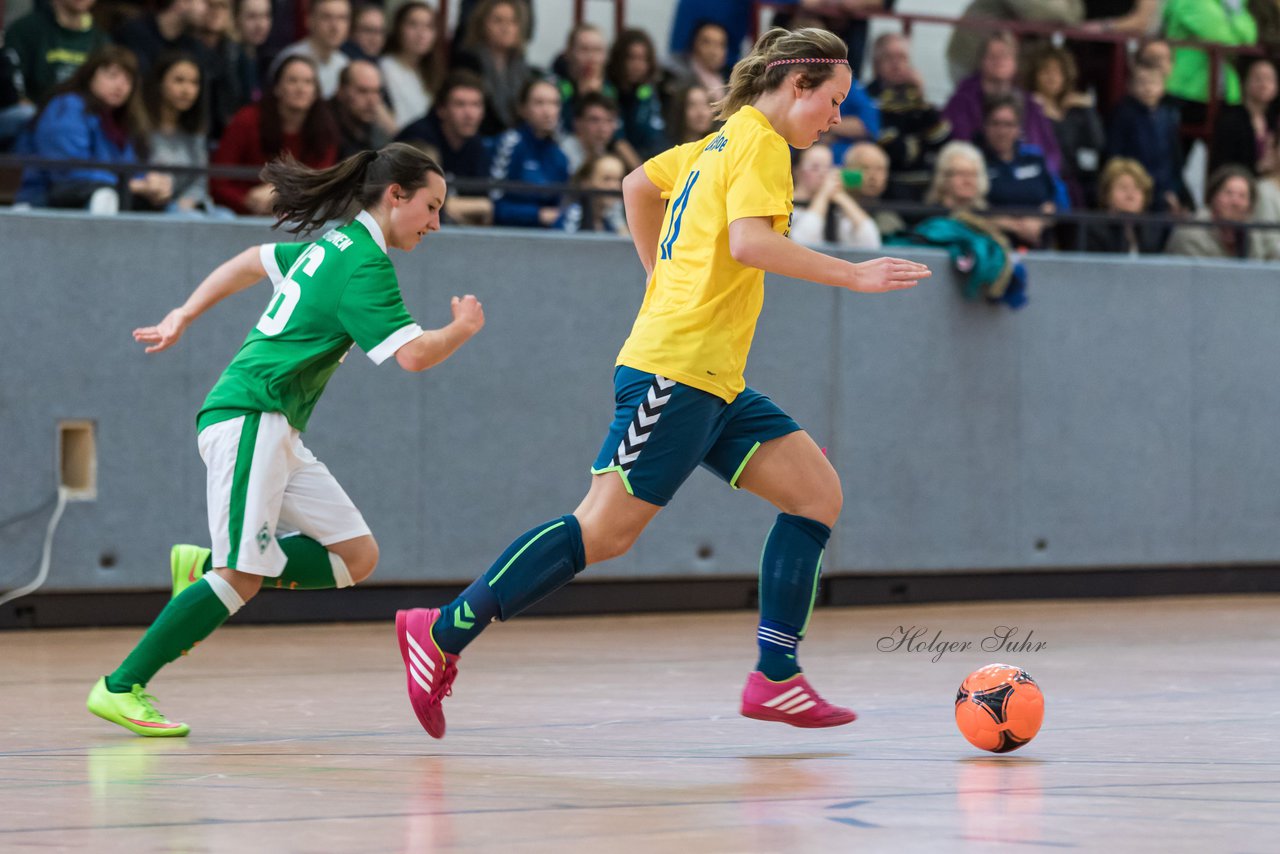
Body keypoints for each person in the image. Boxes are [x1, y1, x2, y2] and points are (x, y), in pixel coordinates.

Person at [393, 27, 930, 740]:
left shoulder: (716, 142)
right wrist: (852, 273)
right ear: (797, 87)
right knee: (603, 530)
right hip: (675, 373)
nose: (836, 117)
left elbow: (637, 184)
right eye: (831, 101)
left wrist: (659, 277)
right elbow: (748, 243)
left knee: (815, 493)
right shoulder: (761, 144)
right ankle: (441, 632)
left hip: (713, 378)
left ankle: (775, 676)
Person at [85, 143, 486, 737]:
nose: (435, 223)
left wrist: (185, 313)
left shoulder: (334, 243)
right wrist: (463, 327)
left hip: (276, 428)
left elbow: (249, 260)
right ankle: (121, 686)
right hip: (251, 415)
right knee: (241, 578)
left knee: (357, 556)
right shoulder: (365, 265)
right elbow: (413, 356)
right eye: (430, 207)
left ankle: (203, 568)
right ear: (395, 195)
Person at [16, 45, 173, 212]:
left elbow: (133, 170)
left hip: (114, 198)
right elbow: (69, 171)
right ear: (90, 75)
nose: (121, 85)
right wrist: (132, 184)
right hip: (46, 202)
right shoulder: (67, 106)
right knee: (104, 196)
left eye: (128, 80)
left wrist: (152, 181)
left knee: (172, 209)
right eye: (112, 76)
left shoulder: (125, 120)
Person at [211, 55, 339, 214]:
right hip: (241, 212)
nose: (301, 88)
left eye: (308, 82)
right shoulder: (247, 120)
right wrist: (246, 201)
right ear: (277, 88)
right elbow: (218, 180)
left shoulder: (325, 130)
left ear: (315, 92)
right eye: (292, 80)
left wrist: (279, 197)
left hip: (297, 216)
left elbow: (321, 185)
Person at [943, 30, 1062, 176]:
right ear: (981, 60)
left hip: (1029, 180)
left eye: (1005, 56)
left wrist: (1041, 179)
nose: (999, 61)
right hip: (978, 176)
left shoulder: (1031, 105)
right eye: (993, 56)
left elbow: (1051, 153)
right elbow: (957, 147)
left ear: (1015, 62)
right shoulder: (961, 102)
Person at [396, 70, 492, 224]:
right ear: (441, 110)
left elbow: (485, 205)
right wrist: (476, 207)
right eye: (460, 104)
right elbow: (417, 204)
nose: (469, 114)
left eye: (476, 105)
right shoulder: (418, 138)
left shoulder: (476, 144)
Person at [866, 32, 950, 202]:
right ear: (876, 64)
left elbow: (941, 140)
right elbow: (896, 151)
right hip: (888, 186)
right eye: (889, 58)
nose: (896, 64)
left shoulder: (917, 99)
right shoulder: (868, 98)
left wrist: (921, 96)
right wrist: (916, 142)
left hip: (926, 185)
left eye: (902, 58)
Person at [141, 51, 225, 215]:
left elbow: (200, 180)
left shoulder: (196, 132)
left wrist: (188, 201)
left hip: (188, 205)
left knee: (227, 218)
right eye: (179, 81)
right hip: (151, 208)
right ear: (159, 82)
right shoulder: (141, 127)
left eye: (194, 83)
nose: (187, 90)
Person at [978, 95, 1064, 249]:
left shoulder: (1034, 157)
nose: (1002, 131)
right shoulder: (975, 162)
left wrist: (1039, 221)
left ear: (1019, 128)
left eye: (1008, 124)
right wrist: (1010, 225)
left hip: (1039, 248)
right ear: (985, 126)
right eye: (995, 123)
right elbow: (968, 209)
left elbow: (1058, 201)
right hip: (993, 249)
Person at [1027, 43, 1104, 208]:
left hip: (1077, 184)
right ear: (1035, 75)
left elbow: (1098, 143)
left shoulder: (1075, 110)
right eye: (1045, 71)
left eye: (1057, 72)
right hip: (1043, 184)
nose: (1051, 77)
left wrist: (1088, 109)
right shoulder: (1028, 108)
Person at [1108, 60, 1190, 212]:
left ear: (1163, 87)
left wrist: (1173, 190)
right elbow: (1115, 154)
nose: (1148, 88)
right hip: (1133, 188)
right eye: (1141, 82)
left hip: (1162, 191)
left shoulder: (1168, 116)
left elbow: (1175, 160)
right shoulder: (1123, 114)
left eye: (1153, 83)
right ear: (1130, 86)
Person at [488, 77, 569, 227]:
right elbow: (492, 204)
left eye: (554, 103)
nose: (548, 111)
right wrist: (537, 215)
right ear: (522, 109)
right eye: (539, 103)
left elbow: (561, 207)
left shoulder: (560, 156)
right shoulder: (509, 144)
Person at [4, 0, 110, 105]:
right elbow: (11, 84)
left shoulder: (101, 40)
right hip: (33, 114)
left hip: (82, 115)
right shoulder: (25, 29)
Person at [451, 0, 533, 134]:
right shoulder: (469, 61)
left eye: (512, 21)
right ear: (482, 25)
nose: (506, 27)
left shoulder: (520, 63)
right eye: (498, 21)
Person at [1166, 164, 1279, 258]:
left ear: (1250, 207)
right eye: (1228, 193)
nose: (1235, 202)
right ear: (1212, 198)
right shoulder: (1190, 234)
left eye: (1242, 196)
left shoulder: (1254, 237)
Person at [791, 143, 881, 248]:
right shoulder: (787, 204)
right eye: (815, 167)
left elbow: (871, 243)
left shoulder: (834, 207)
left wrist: (841, 196)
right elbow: (802, 241)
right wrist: (823, 195)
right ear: (796, 170)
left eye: (829, 167)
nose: (824, 174)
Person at [380, 1, 444, 131]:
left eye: (429, 26)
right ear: (398, 28)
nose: (421, 33)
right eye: (413, 25)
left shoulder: (432, 73)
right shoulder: (383, 67)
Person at [1209, 57, 1279, 174]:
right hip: (1239, 185)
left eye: (1269, 79)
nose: (1264, 84)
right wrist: (1257, 168)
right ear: (1244, 82)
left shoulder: (1274, 120)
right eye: (1258, 78)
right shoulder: (1231, 120)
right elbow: (1223, 165)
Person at [1083, 157, 1164, 253]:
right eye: (1123, 187)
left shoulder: (1151, 232)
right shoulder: (1094, 231)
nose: (1130, 195)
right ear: (1107, 194)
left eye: (1137, 188)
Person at [271, 0, 351, 98]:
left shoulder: (344, 63)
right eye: (327, 17)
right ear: (309, 20)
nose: (335, 26)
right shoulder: (290, 61)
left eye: (342, 18)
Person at [114, 0, 209, 75]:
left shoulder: (192, 45)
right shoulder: (134, 31)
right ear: (183, 2)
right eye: (204, 1)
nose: (207, 10)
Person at [558, 91, 639, 174]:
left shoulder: (608, 153)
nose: (603, 128)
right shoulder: (561, 153)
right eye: (594, 120)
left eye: (609, 121)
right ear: (577, 123)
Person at [557, 152, 629, 234]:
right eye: (606, 179)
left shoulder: (612, 221)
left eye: (619, 179)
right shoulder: (573, 214)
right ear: (586, 182)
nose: (615, 186)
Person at [844, 141, 905, 237]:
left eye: (880, 169)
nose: (873, 176)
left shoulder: (891, 223)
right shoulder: (829, 212)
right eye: (865, 168)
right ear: (846, 171)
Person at [331, 59, 390, 157]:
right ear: (342, 91)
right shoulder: (323, 124)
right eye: (363, 91)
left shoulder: (375, 129)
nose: (372, 100)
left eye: (376, 91)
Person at [232, 0, 272, 102]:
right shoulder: (230, 60)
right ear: (236, 19)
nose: (260, 25)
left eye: (266, 16)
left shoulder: (267, 59)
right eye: (252, 17)